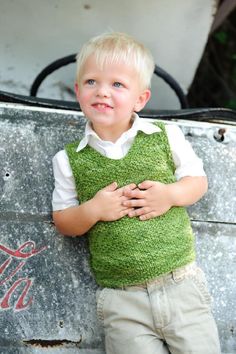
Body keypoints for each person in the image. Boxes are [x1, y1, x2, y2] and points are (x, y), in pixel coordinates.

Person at [52, 32, 221, 354]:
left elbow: (197, 182)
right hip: (122, 298)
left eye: (117, 84)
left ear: (140, 99)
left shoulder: (164, 135)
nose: (102, 91)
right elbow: (63, 220)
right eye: (91, 82)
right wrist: (93, 210)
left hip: (180, 283)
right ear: (77, 91)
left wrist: (170, 195)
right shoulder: (68, 159)